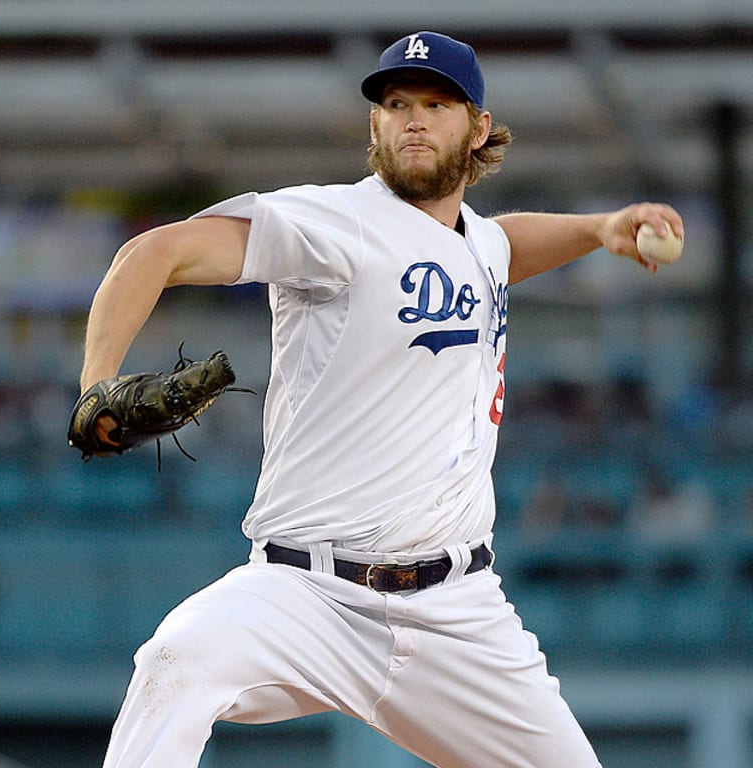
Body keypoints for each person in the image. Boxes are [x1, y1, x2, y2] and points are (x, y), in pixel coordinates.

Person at [80, 31, 682, 768]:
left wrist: (598, 228)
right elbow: (153, 253)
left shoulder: (478, 243)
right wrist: (96, 384)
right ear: (376, 125)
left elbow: (504, 245)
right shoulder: (334, 223)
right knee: (176, 662)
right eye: (397, 104)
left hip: (457, 614)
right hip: (306, 595)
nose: (414, 119)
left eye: (436, 103)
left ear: (479, 128)